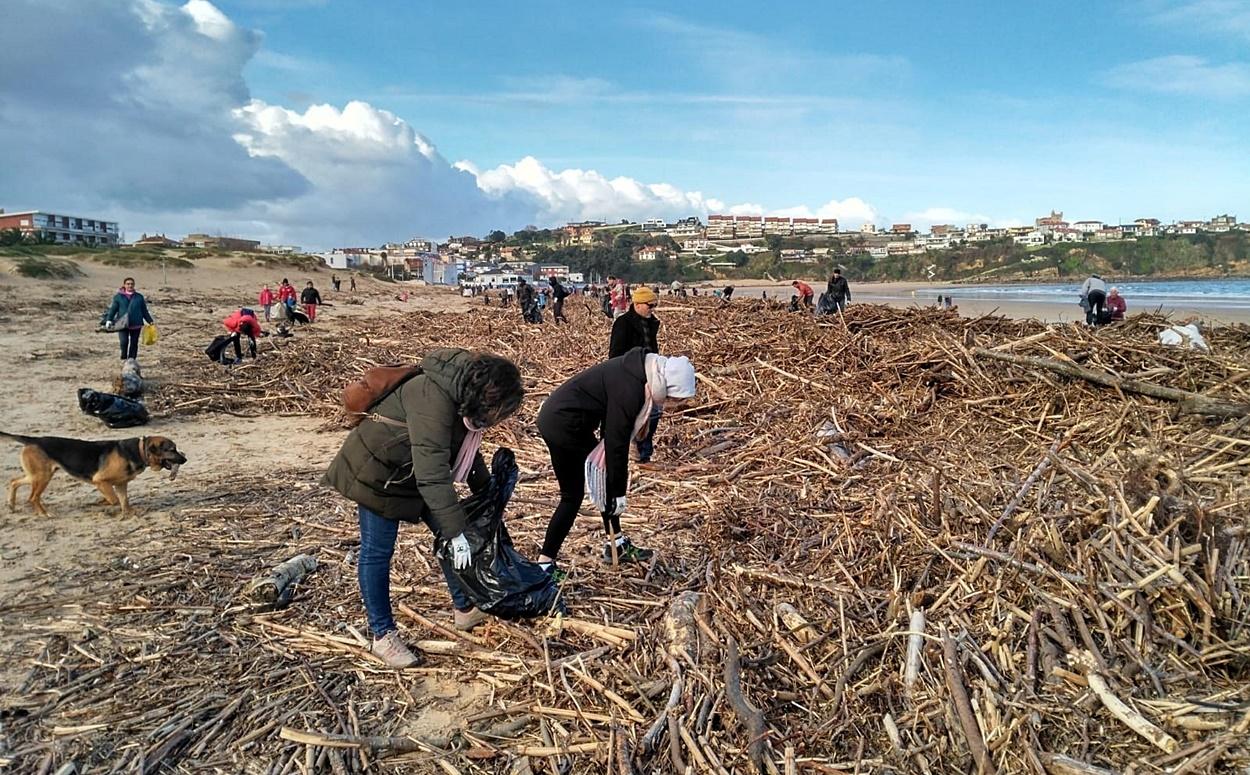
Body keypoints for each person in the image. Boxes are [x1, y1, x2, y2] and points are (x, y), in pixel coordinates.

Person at [322, 349, 525, 666]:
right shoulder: (433, 398)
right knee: (378, 551)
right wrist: (457, 531)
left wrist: (489, 495)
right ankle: (382, 635)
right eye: (497, 409)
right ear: (486, 393)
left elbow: (465, 454)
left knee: (452, 533)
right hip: (378, 472)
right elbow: (433, 474)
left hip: (410, 472)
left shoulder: (462, 399)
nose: (496, 418)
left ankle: (464, 608)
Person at [536, 349, 697, 576]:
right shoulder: (631, 388)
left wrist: (615, 488)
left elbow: (612, 432)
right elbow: (615, 444)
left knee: (605, 482)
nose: (670, 404)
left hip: (562, 418)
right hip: (563, 423)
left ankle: (616, 544)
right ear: (669, 386)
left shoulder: (643, 371)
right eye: (674, 399)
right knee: (574, 494)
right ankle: (545, 564)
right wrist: (619, 492)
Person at [610, 287, 663, 462]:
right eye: (650, 305)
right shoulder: (623, 323)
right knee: (636, 413)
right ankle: (636, 448)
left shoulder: (651, 323)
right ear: (638, 304)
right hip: (631, 374)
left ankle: (644, 452)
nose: (652, 309)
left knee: (654, 413)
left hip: (650, 373)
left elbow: (652, 348)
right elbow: (615, 353)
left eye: (654, 305)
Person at [100, 277, 154, 361]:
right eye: (128, 284)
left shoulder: (139, 297)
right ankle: (124, 358)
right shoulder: (118, 297)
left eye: (132, 284)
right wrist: (109, 320)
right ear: (124, 285)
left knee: (134, 343)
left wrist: (150, 321)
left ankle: (132, 359)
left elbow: (144, 310)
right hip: (122, 323)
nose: (130, 285)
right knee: (124, 342)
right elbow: (113, 309)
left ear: (134, 285)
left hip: (136, 323)